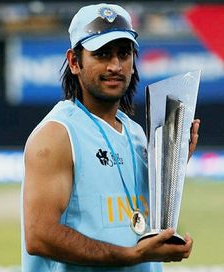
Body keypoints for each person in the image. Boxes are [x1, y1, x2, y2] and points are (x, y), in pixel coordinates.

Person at [21, 3, 200, 272]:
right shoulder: (57, 135)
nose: (115, 65)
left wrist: (172, 169)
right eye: (102, 54)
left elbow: (128, 215)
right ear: (74, 62)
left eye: (124, 53)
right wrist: (132, 255)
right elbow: (40, 237)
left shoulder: (136, 134)